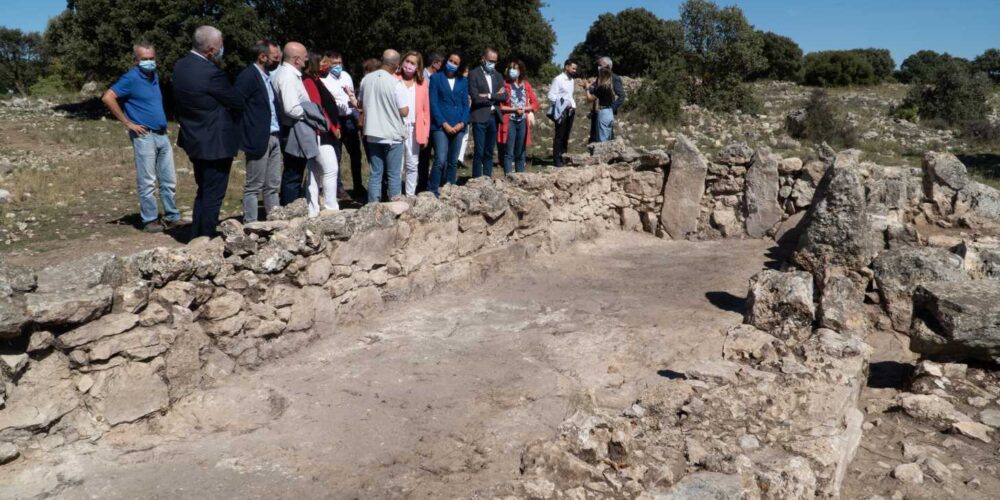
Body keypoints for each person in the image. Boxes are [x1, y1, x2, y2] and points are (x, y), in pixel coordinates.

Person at [172, 26, 244, 240]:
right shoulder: (211, 73)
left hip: (193, 137)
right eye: (221, 46)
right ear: (211, 50)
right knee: (213, 193)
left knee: (203, 188)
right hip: (215, 142)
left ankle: (197, 233)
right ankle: (206, 237)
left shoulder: (180, 66)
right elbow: (236, 100)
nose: (223, 50)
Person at [101, 41, 180, 233]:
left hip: (161, 134)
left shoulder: (154, 76)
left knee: (169, 179)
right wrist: (128, 123)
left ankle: (172, 216)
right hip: (144, 136)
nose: (149, 62)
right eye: (145, 59)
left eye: (152, 58)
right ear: (136, 60)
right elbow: (108, 97)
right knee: (148, 180)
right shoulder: (131, 78)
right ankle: (150, 220)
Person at [234, 39, 281, 223]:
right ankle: (251, 224)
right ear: (262, 57)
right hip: (258, 137)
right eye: (273, 56)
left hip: (274, 134)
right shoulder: (248, 76)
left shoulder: (267, 77)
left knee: (273, 184)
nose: (276, 59)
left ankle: (275, 221)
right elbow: (237, 103)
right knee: (254, 185)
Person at [358, 49, 408, 203]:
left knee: (375, 174)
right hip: (392, 134)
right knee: (393, 174)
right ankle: (395, 205)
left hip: (372, 133)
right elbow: (404, 111)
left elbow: (360, 104)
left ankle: (373, 205)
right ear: (396, 65)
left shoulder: (366, 80)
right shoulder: (395, 83)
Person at [320, 51, 365, 202]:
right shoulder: (324, 80)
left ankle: (358, 185)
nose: (338, 66)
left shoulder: (346, 76)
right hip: (336, 119)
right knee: (336, 155)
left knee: (356, 155)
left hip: (350, 118)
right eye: (334, 64)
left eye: (340, 63)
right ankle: (338, 188)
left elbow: (351, 95)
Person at [301, 53, 342, 217]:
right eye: (324, 62)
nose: (328, 65)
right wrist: (332, 127)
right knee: (331, 169)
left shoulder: (317, 80)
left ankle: (313, 208)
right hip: (320, 132)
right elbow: (318, 108)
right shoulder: (309, 81)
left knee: (315, 170)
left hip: (325, 131)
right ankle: (331, 207)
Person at [271, 41, 310, 205]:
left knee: (296, 172)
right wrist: (312, 113)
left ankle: (294, 204)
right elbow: (291, 108)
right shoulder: (287, 77)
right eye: (304, 57)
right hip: (293, 129)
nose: (307, 59)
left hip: (294, 128)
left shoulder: (290, 75)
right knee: (293, 173)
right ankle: (291, 208)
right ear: (296, 60)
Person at [427, 53, 469, 196]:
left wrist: (462, 123)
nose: (452, 63)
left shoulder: (463, 81)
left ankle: (450, 189)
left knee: (453, 161)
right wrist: (443, 123)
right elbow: (433, 103)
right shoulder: (436, 78)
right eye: (450, 60)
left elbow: (465, 104)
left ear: (459, 66)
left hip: (458, 125)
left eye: (456, 62)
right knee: (440, 159)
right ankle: (432, 190)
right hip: (440, 126)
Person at [467, 48, 507, 179]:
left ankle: (487, 179)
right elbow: (476, 98)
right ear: (483, 59)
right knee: (479, 151)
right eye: (490, 61)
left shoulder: (498, 75)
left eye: (495, 61)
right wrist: (495, 96)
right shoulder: (474, 74)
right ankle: (477, 180)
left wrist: (488, 95)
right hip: (479, 117)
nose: (492, 63)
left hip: (494, 117)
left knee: (489, 151)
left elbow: (504, 96)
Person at [395, 51, 430, 196]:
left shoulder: (422, 83)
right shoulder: (394, 79)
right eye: (407, 61)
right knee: (397, 164)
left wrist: (426, 134)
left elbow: (426, 110)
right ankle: (395, 194)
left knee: (412, 163)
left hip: (415, 128)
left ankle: (410, 194)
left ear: (418, 67)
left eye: (413, 63)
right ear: (402, 62)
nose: (409, 65)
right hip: (396, 127)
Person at [497, 60, 540, 174]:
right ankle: (509, 178)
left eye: (515, 68)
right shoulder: (504, 85)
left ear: (520, 71)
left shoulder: (526, 85)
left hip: (522, 122)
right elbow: (500, 106)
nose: (512, 70)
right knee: (509, 152)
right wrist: (514, 110)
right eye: (510, 67)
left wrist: (524, 109)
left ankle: (520, 178)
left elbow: (535, 103)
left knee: (521, 152)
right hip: (509, 121)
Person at [587, 57, 627, 143]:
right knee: (594, 138)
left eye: (600, 65)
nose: (598, 67)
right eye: (598, 65)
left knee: (604, 139)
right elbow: (597, 93)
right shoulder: (601, 77)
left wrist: (611, 108)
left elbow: (621, 96)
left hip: (605, 112)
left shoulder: (614, 78)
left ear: (608, 66)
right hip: (597, 113)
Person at [547, 59, 578, 168]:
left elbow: (570, 95)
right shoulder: (558, 79)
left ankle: (563, 156)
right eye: (573, 68)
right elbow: (551, 95)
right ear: (566, 67)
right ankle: (556, 159)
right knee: (559, 135)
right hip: (561, 111)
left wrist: (571, 105)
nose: (574, 70)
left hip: (570, 111)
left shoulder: (572, 80)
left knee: (566, 135)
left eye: (575, 69)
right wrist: (562, 104)